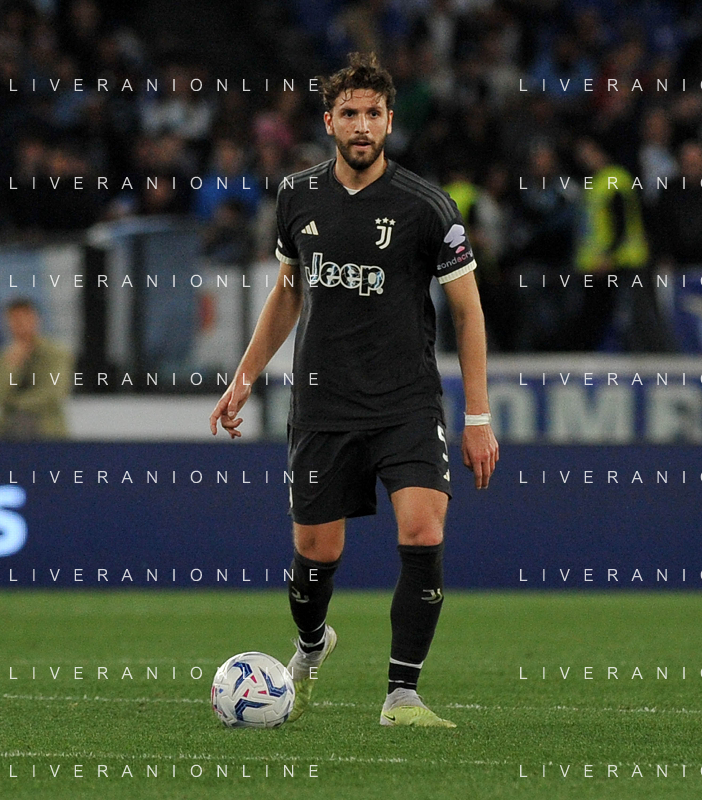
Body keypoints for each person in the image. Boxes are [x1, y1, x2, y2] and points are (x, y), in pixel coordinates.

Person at [210, 52, 498, 728]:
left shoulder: (427, 206)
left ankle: (402, 696)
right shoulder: (297, 196)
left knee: (423, 529)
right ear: (329, 122)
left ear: (389, 122)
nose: (361, 125)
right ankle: (311, 647)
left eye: (373, 113)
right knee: (318, 551)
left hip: (406, 400)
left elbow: (468, 312)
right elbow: (288, 293)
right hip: (323, 403)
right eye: (349, 114)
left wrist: (478, 416)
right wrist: (244, 377)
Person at [0, 298, 72, 439]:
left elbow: (54, 393)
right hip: (7, 428)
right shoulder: (1, 357)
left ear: (36, 319)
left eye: (24, 318)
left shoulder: (56, 354)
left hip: (47, 429)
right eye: (14, 319)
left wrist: (15, 403)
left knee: (25, 420)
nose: (20, 324)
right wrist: (13, 366)